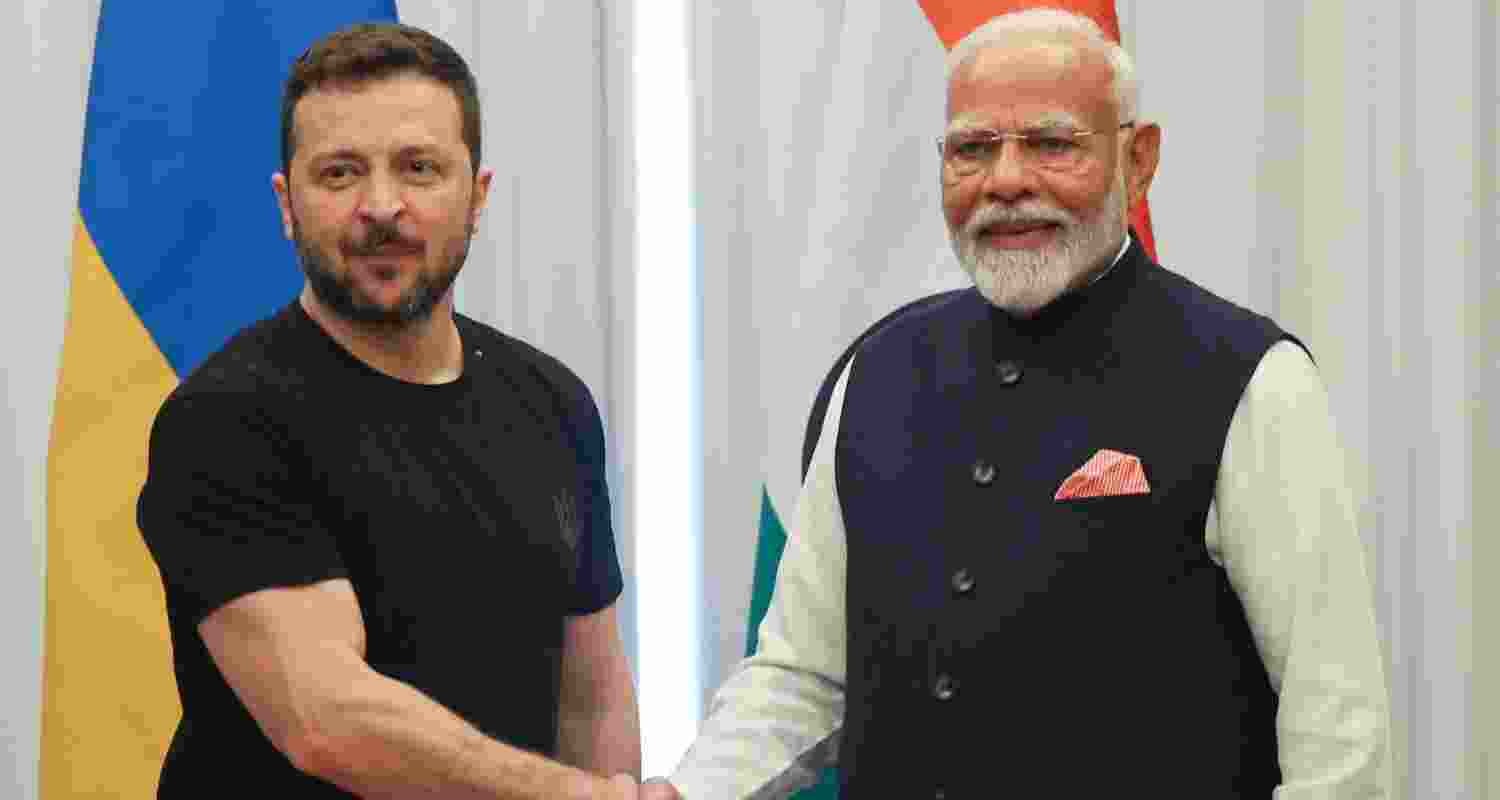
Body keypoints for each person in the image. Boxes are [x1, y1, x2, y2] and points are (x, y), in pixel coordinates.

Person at [649, 8, 1390, 799]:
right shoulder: (875, 372)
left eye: (1051, 142)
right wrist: (683, 794)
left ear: (1138, 162)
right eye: (973, 148)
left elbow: (1338, 742)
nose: (1005, 180)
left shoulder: (1251, 380)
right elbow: (801, 675)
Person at [137, 23, 641, 799]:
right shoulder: (224, 421)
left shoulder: (553, 400)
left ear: (477, 196)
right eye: (339, 173)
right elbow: (329, 722)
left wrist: (611, 791)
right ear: (287, 204)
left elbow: (593, 696)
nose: (381, 206)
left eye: (419, 168)